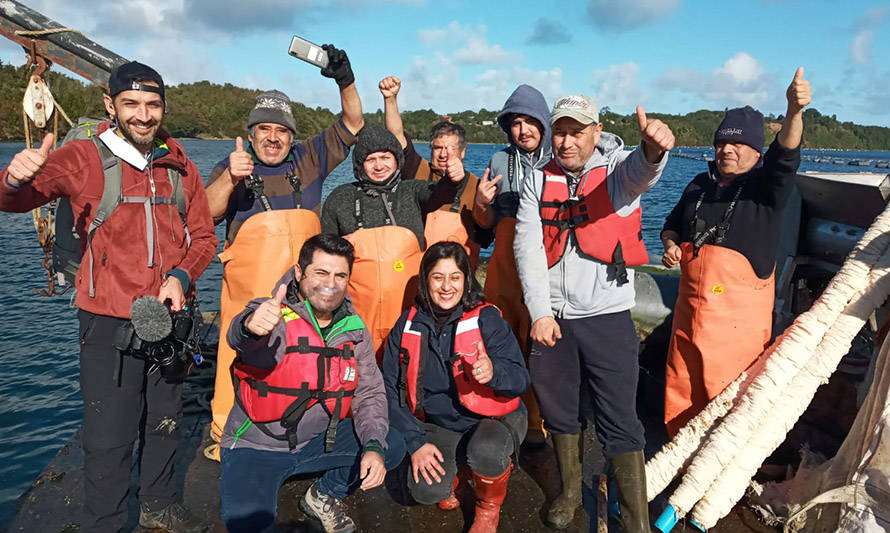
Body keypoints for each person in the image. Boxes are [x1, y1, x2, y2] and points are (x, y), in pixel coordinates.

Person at [0, 62, 217, 532]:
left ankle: (159, 506)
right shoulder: (81, 158)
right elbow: (12, 200)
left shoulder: (181, 165)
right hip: (107, 324)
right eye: (132, 104)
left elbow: (204, 239)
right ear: (110, 105)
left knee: (165, 422)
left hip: (171, 321)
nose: (144, 115)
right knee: (108, 437)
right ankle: (106, 522)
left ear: (164, 106)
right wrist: (15, 178)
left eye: (153, 104)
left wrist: (181, 275)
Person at [515, 94, 674, 531]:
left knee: (621, 418)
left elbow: (643, 172)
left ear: (596, 132)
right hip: (554, 321)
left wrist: (654, 150)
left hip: (607, 316)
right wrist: (539, 312)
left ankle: (637, 522)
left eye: (576, 131)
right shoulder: (535, 179)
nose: (566, 142)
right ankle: (569, 491)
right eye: (560, 131)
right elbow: (527, 248)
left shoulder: (618, 169)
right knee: (560, 411)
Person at [204, 44, 363, 453]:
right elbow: (205, 212)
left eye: (281, 131)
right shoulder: (233, 165)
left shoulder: (308, 157)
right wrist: (229, 180)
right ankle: (226, 431)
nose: (272, 138)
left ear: (291, 136)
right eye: (264, 129)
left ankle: (302, 427)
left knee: (301, 354)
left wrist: (344, 77)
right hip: (248, 291)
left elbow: (353, 122)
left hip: (300, 287)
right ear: (251, 132)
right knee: (236, 351)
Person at [220, 234, 406, 533]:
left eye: (340, 275)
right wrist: (249, 327)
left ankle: (322, 495)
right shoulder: (272, 313)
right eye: (320, 272)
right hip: (256, 447)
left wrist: (373, 445)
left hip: (318, 441)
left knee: (390, 445)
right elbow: (241, 337)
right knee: (247, 526)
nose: (330, 283)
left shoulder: (354, 329)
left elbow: (369, 393)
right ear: (298, 273)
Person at [661, 68, 811, 437]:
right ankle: (675, 463)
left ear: (756, 150)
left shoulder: (766, 188)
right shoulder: (698, 184)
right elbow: (672, 226)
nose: (727, 149)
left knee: (729, 406)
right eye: (721, 143)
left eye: (739, 144)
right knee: (680, 392)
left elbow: (786, 155)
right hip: (688, 315)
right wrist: (668, 246)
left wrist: (794, 112)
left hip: (736, 327)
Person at [382, 241, 530, 532]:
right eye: (438, 277)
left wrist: (495, 373)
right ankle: (460, 470)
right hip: (441, 423)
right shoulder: (407, 324)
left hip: (494, 418)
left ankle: (488, 507)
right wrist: (416, 442)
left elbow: (521, 379)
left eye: (455, 277)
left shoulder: (487, 319)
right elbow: (387, 388)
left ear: (466, 280)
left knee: (485, 451)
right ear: (426, 280)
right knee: (426, 490)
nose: (446, 286)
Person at [321, 123, 463, 357]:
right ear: (359, 165)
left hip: (408, 310)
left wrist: (451, 180)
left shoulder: (412, 191)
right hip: (356, 314)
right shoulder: (340, 199)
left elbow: (439, 194)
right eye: (371, 159)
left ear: (397, 159)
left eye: (386, 157)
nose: (379, 165)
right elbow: (325, 256)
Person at [473, 84, 552, 446]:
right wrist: (481, 204)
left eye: (530, 121)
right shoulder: (498, 161)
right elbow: (485, 228)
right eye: (516, 123)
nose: (523, 130)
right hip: (504, 271)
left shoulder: (557, 159)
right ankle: (502, 414)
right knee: (501, 342)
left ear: (544, 123)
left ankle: (538, 422)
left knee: (542, 346)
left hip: (545, 266)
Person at [379, 76, 489, 266]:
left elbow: (486, 236)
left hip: (459, 278)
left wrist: (484, 205)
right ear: (431, 149)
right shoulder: (417, 169)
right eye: (438, 148)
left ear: (463, 152)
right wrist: (390, 100)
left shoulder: (477, 187)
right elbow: (396, 137)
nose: (444, 154)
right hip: (415, 270)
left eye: (451, 149)